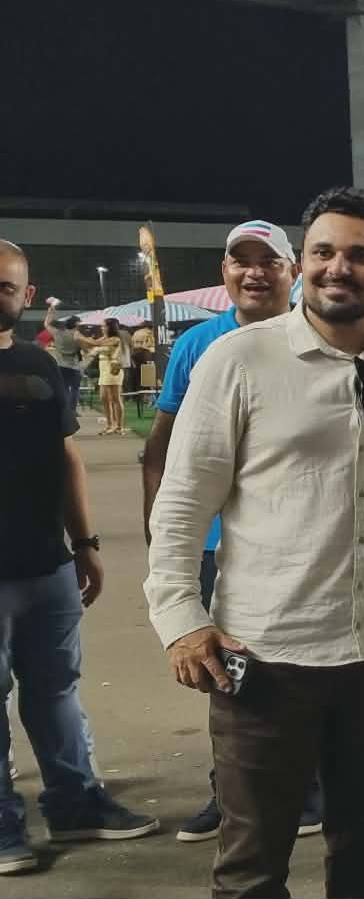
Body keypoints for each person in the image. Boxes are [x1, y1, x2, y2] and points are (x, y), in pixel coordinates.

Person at [143, 187, 364, 898]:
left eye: (360, 255)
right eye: (324, 252)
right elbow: (181, 502)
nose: (339, 268)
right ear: (303, 263)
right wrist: (181, 620)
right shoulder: (238, 360)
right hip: (265, 654)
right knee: (251, 865)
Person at [142, 219, 327, 845]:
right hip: (214, 543)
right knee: (231, 678)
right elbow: (160, 449)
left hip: (296, 543)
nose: (254, 273)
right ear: (224, 272)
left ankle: (308, 794)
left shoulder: (323, 336)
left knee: (304, 672)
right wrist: (163, 536)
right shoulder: (200, 345)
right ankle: (231, 795)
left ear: (291, 271)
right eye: (241, 262)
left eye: (268, 262)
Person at [0, 241, 160, 875]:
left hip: (47, 565)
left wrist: (86, 544)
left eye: (6, 286)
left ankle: (74, 803)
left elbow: (66, 458)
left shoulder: (39, 365)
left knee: (56, 690)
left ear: (26, 295)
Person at [86, 318, 128, 435]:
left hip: (113, 370)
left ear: (110, 327)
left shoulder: (115, 339)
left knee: (116, 398)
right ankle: (110, 425)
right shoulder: (103, 338)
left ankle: (119, 426)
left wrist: (82, 338)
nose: (102, 328)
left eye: (104, 326)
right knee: (104, 398)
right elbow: (92, 347)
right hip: (103, 370)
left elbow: (96, 344)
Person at [41, 312, 85, 411]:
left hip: (60, 365)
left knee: (64, 388)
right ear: (76, 325)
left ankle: (64, 408)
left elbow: (46, 324)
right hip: (75, 366)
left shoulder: (57, 333)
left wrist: (50, 312)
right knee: (75, 389)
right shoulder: (77, 336)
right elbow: (86, 348)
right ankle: (72, 410)